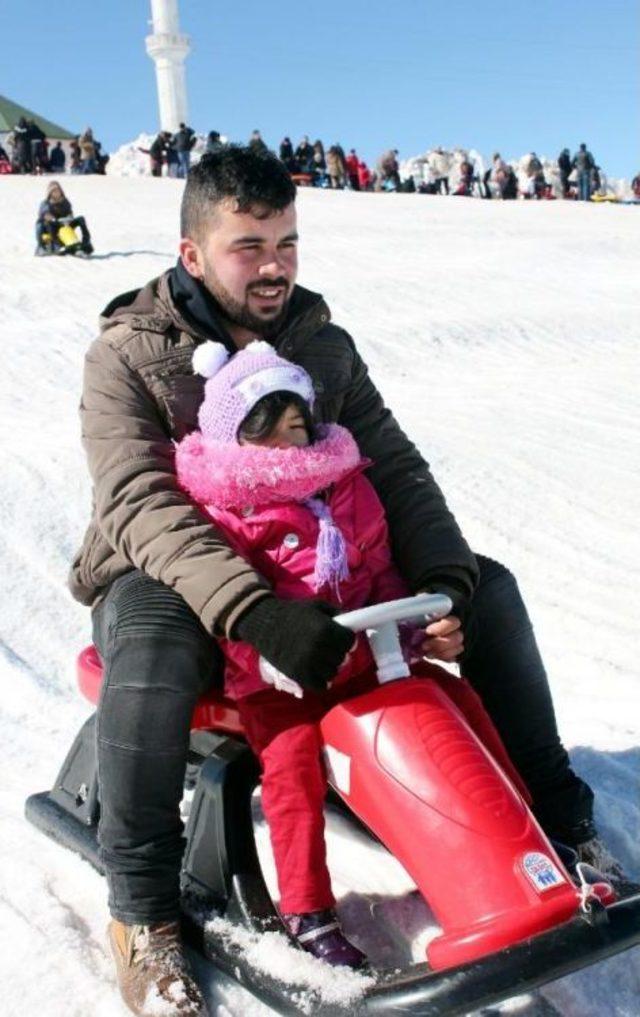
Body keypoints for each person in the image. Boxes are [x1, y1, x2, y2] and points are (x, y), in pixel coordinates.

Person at [71, 145, 621, 1016]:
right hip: (174, 573)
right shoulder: (130, 356)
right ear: (192, 254)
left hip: (314, 562)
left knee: (496, 582)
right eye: (250, 246)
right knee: (155, 635)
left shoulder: (321, 345)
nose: (275, 265)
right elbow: (140, 504)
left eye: (286, 242)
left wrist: (447, 581)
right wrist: (253, 611)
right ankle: (142, 916)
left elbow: (394, 466)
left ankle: (561, 819)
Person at [174, 338, 534, 969]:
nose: (291, 443)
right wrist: (263, 660)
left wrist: (413, 625)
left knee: (453, 696)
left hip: (371, 656)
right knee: (291, 766)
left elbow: (380, 572)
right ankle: (308, 910)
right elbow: (226, 611)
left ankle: (520, 842)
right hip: (278, 682)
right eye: (270, 431)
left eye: (297, 425)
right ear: (236, 436)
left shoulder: (346, 488)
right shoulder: (228, 513)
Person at [35, 180, 93, 255]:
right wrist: (52, 219)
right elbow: (44, 213)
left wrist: (69, 218)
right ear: (50, 193)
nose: (56, 192)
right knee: (46, 224)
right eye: (54, 191)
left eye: (58, 190)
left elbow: (70, 212)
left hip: (65, 224)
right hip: (53, 225)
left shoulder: (65, 201)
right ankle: (55, 244)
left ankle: (86, 240)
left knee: (81, 219)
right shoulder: (46, 203)